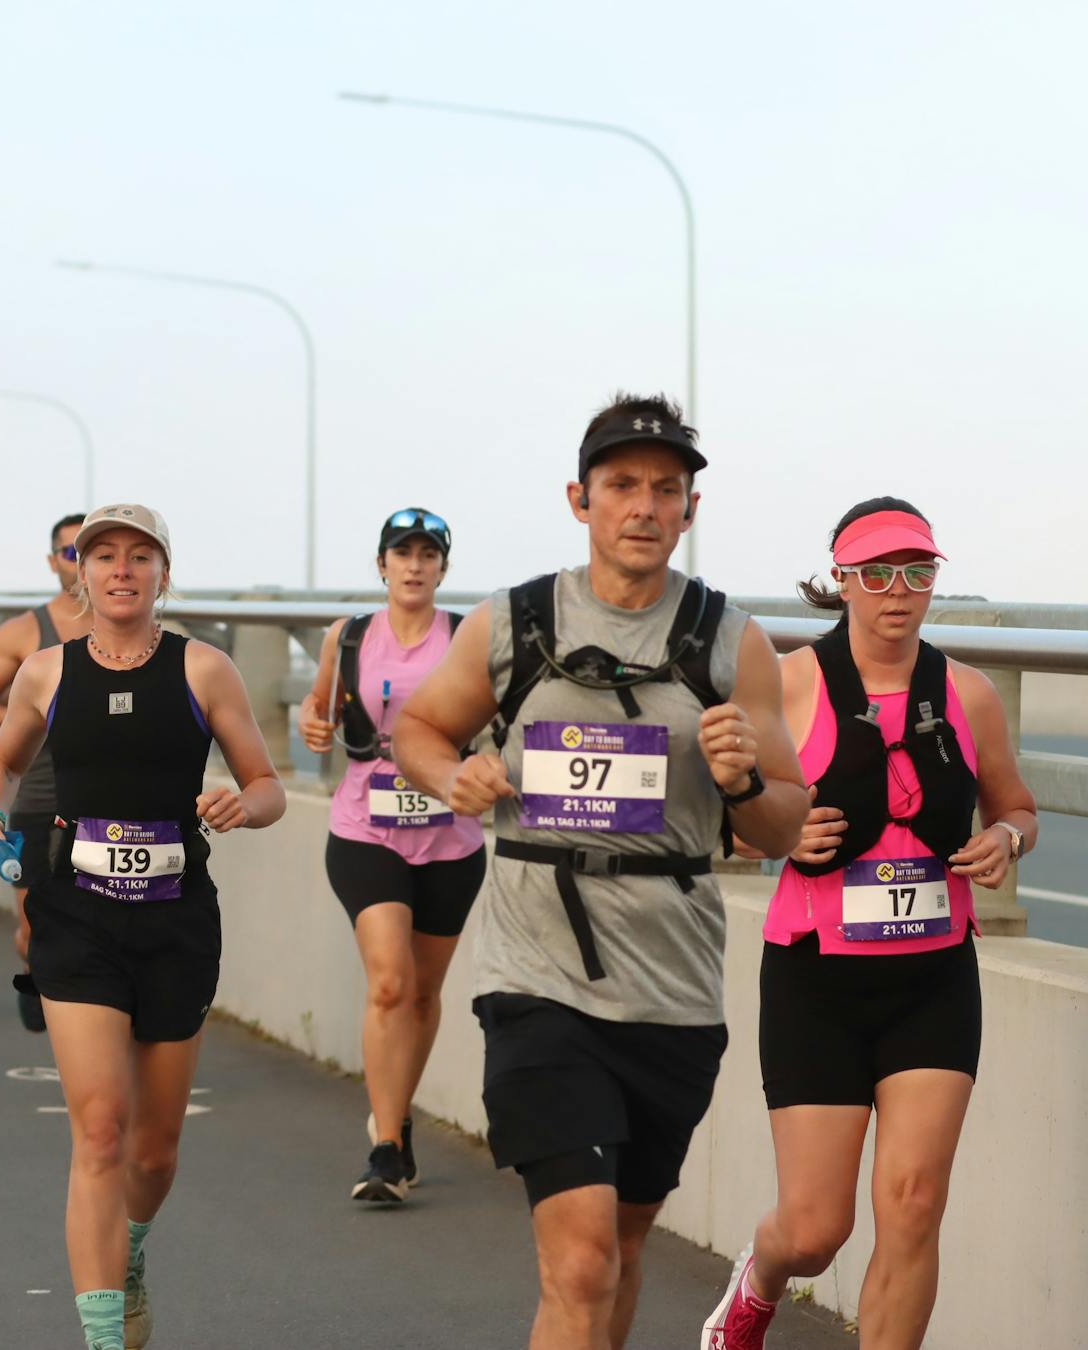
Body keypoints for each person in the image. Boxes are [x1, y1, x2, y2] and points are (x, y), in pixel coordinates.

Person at [392, 394, 809, 1350]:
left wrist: (744, 777)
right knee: (579, 1261)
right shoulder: (516, 622)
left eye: (668, 490)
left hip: (672, 986)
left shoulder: (729, 640)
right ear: (581, 499)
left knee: (620, 1249)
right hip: (536, 974)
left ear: (690, 512)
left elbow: (785, 822)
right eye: (623, 486)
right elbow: (417, 726)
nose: (645, 507)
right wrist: (457, 774)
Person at [700, 499, 1038, 1350]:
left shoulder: (969, 693)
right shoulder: (786, 683)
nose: (900, 592)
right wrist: (775, 829)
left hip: (934, 979)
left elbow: (1019, 807)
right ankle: (760, 1280)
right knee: (817, 1231)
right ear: (841, 580)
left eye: (918, 573)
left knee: (915, 1206)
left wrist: (1004, 839)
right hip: (818, 976)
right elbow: (734, 822)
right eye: (879, 573)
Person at [0, 503, 284, 1350]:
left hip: (177, 919)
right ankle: (104, 1337)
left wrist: (240, 804)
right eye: (101, 555)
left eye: (138, 556)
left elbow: (269, 786)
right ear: (79, 571)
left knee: (154, 1153)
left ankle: (129, 1248)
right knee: (100, 1129)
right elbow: (1, 758)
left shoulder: (205, 669)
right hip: (76, 913)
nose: (120, 569)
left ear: (163, 575)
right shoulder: (45, 671)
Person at [298, 507, 486, 1203]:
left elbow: (496, 719)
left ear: (442, 568)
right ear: (381, 565)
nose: (414, 566)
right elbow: (316, 708)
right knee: (388, 983)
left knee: (425, 992)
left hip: (449, 835)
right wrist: (312, 724)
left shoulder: (466, 638)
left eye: (427, 555)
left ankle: (397, 1115)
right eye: (401, 554)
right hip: (364, 826)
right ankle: (384, 1145)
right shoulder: (346, 636)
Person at [0, 511, 89, 1031]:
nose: (83, 565)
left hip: (108, 803)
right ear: (52, 561)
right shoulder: (23, 633)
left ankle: (84, 1014)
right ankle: (35, 966)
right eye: (71, 553)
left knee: (93, 925)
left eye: (95, 553)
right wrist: (40, 721)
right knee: (37, 926)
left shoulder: (133, 630)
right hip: (38, 797)